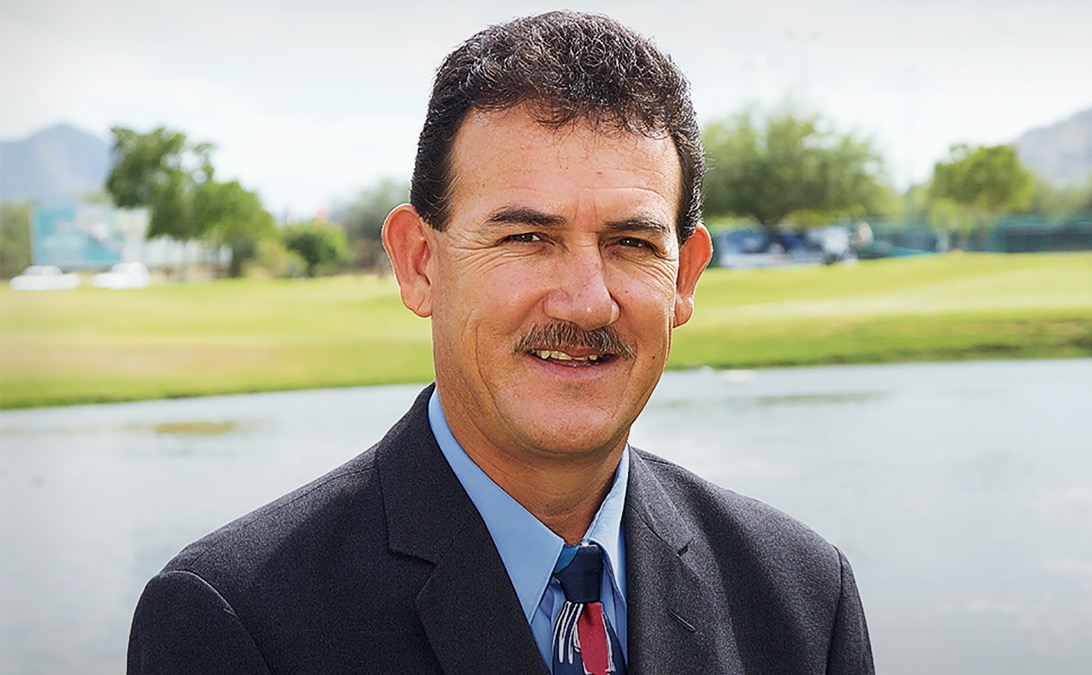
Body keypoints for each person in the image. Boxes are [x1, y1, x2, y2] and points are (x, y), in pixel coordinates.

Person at [127, 10, 873, 674]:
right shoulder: (235, 623)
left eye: (631, 243)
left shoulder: (804, 599)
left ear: (685, 277)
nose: (587, 301)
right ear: (420, 263)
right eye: (526, 237)